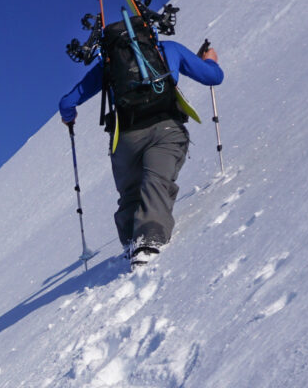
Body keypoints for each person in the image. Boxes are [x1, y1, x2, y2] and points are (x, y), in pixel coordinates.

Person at [60, 32, 223, 265]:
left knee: (130, 191)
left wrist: (69, 117)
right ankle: (148, 240)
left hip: (125, 138)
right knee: (156, 181)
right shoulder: (168, 49)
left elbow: (67, 103)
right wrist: (210, 60)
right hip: (166, 128)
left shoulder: (109, 62)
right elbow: (213, 77)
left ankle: (130, 240)